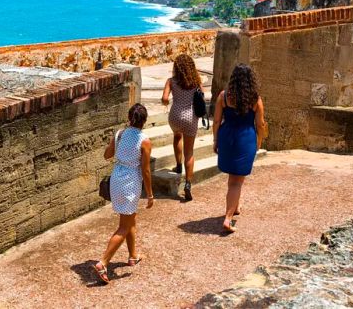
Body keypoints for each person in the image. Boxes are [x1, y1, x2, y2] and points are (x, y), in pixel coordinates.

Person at [93, 104, 153, 284]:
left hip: (116, 178)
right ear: (144, 120)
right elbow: (146, 170)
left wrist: (117, 147)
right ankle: (103, 262)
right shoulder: (144, 140)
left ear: (129, 117)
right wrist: (150, 194)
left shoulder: (119, 134)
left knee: (130, 218)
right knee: (124, 226)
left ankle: (133, 255)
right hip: (131, 182)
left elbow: (107, 155)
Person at [213, 64, 267, 233]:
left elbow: (216, 121)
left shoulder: (224, 96)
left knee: (233, 178)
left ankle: (234, 207)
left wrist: (215, 140)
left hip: (227, 137)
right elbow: (260, 125)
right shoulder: (255, 99)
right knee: (237, 181)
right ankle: (228, 219)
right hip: (245, 139)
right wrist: (259, 142)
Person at [161, 54, 204, 201]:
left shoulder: (171, 82)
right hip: (191, 117)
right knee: (190, 152)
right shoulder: (196, 82)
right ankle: (187, 184)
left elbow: (165, 99)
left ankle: (178, 165)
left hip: (175, 116)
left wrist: (166, 102)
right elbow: (202, 97)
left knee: (177, 136)